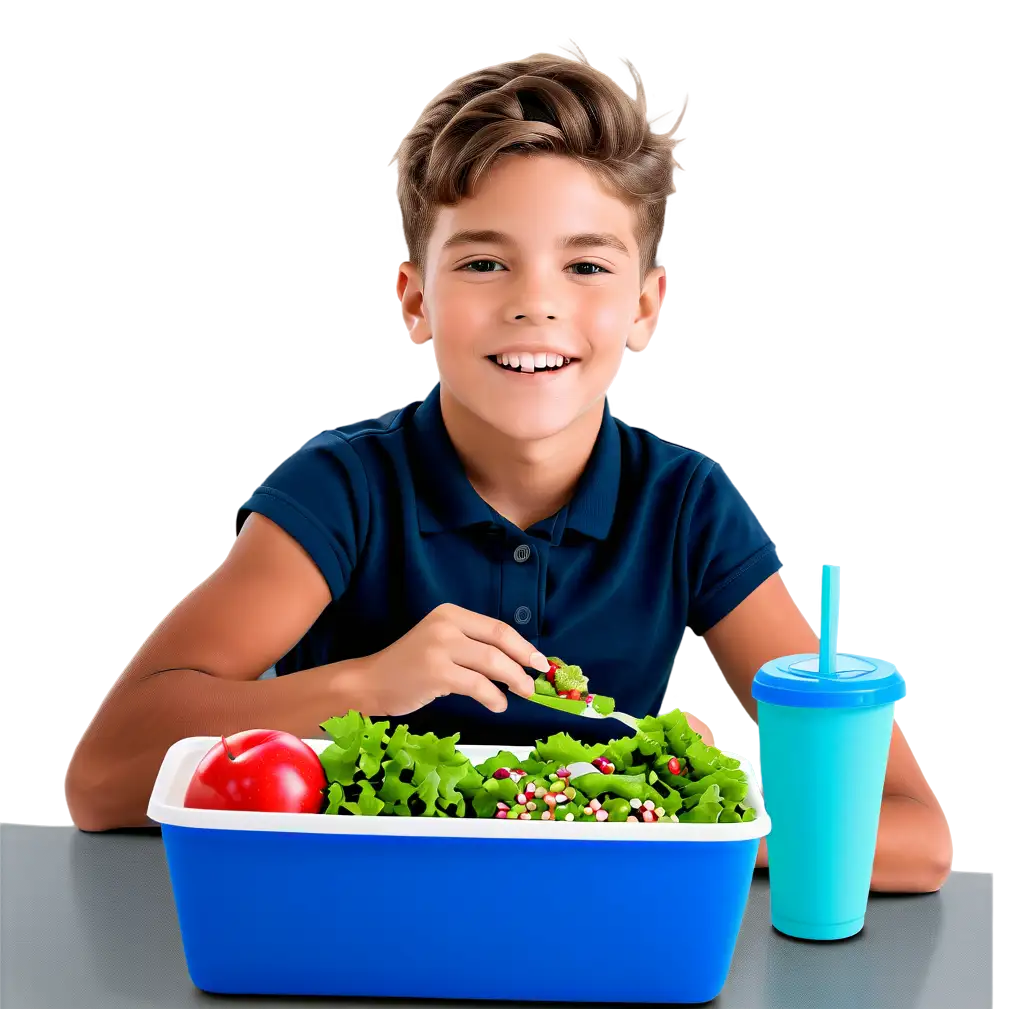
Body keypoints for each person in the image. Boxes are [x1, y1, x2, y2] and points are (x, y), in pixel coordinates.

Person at [63, 47, 951, 893]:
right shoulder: (342, 493)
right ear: (416, 301)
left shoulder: (685, 509)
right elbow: (104, 779)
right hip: (358, 931)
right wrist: (367, 686)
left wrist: (654, 828)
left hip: (605, 949)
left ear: (644, 308)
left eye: (587, 265)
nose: (536, 301)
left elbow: (915, 838)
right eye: (485, 263)